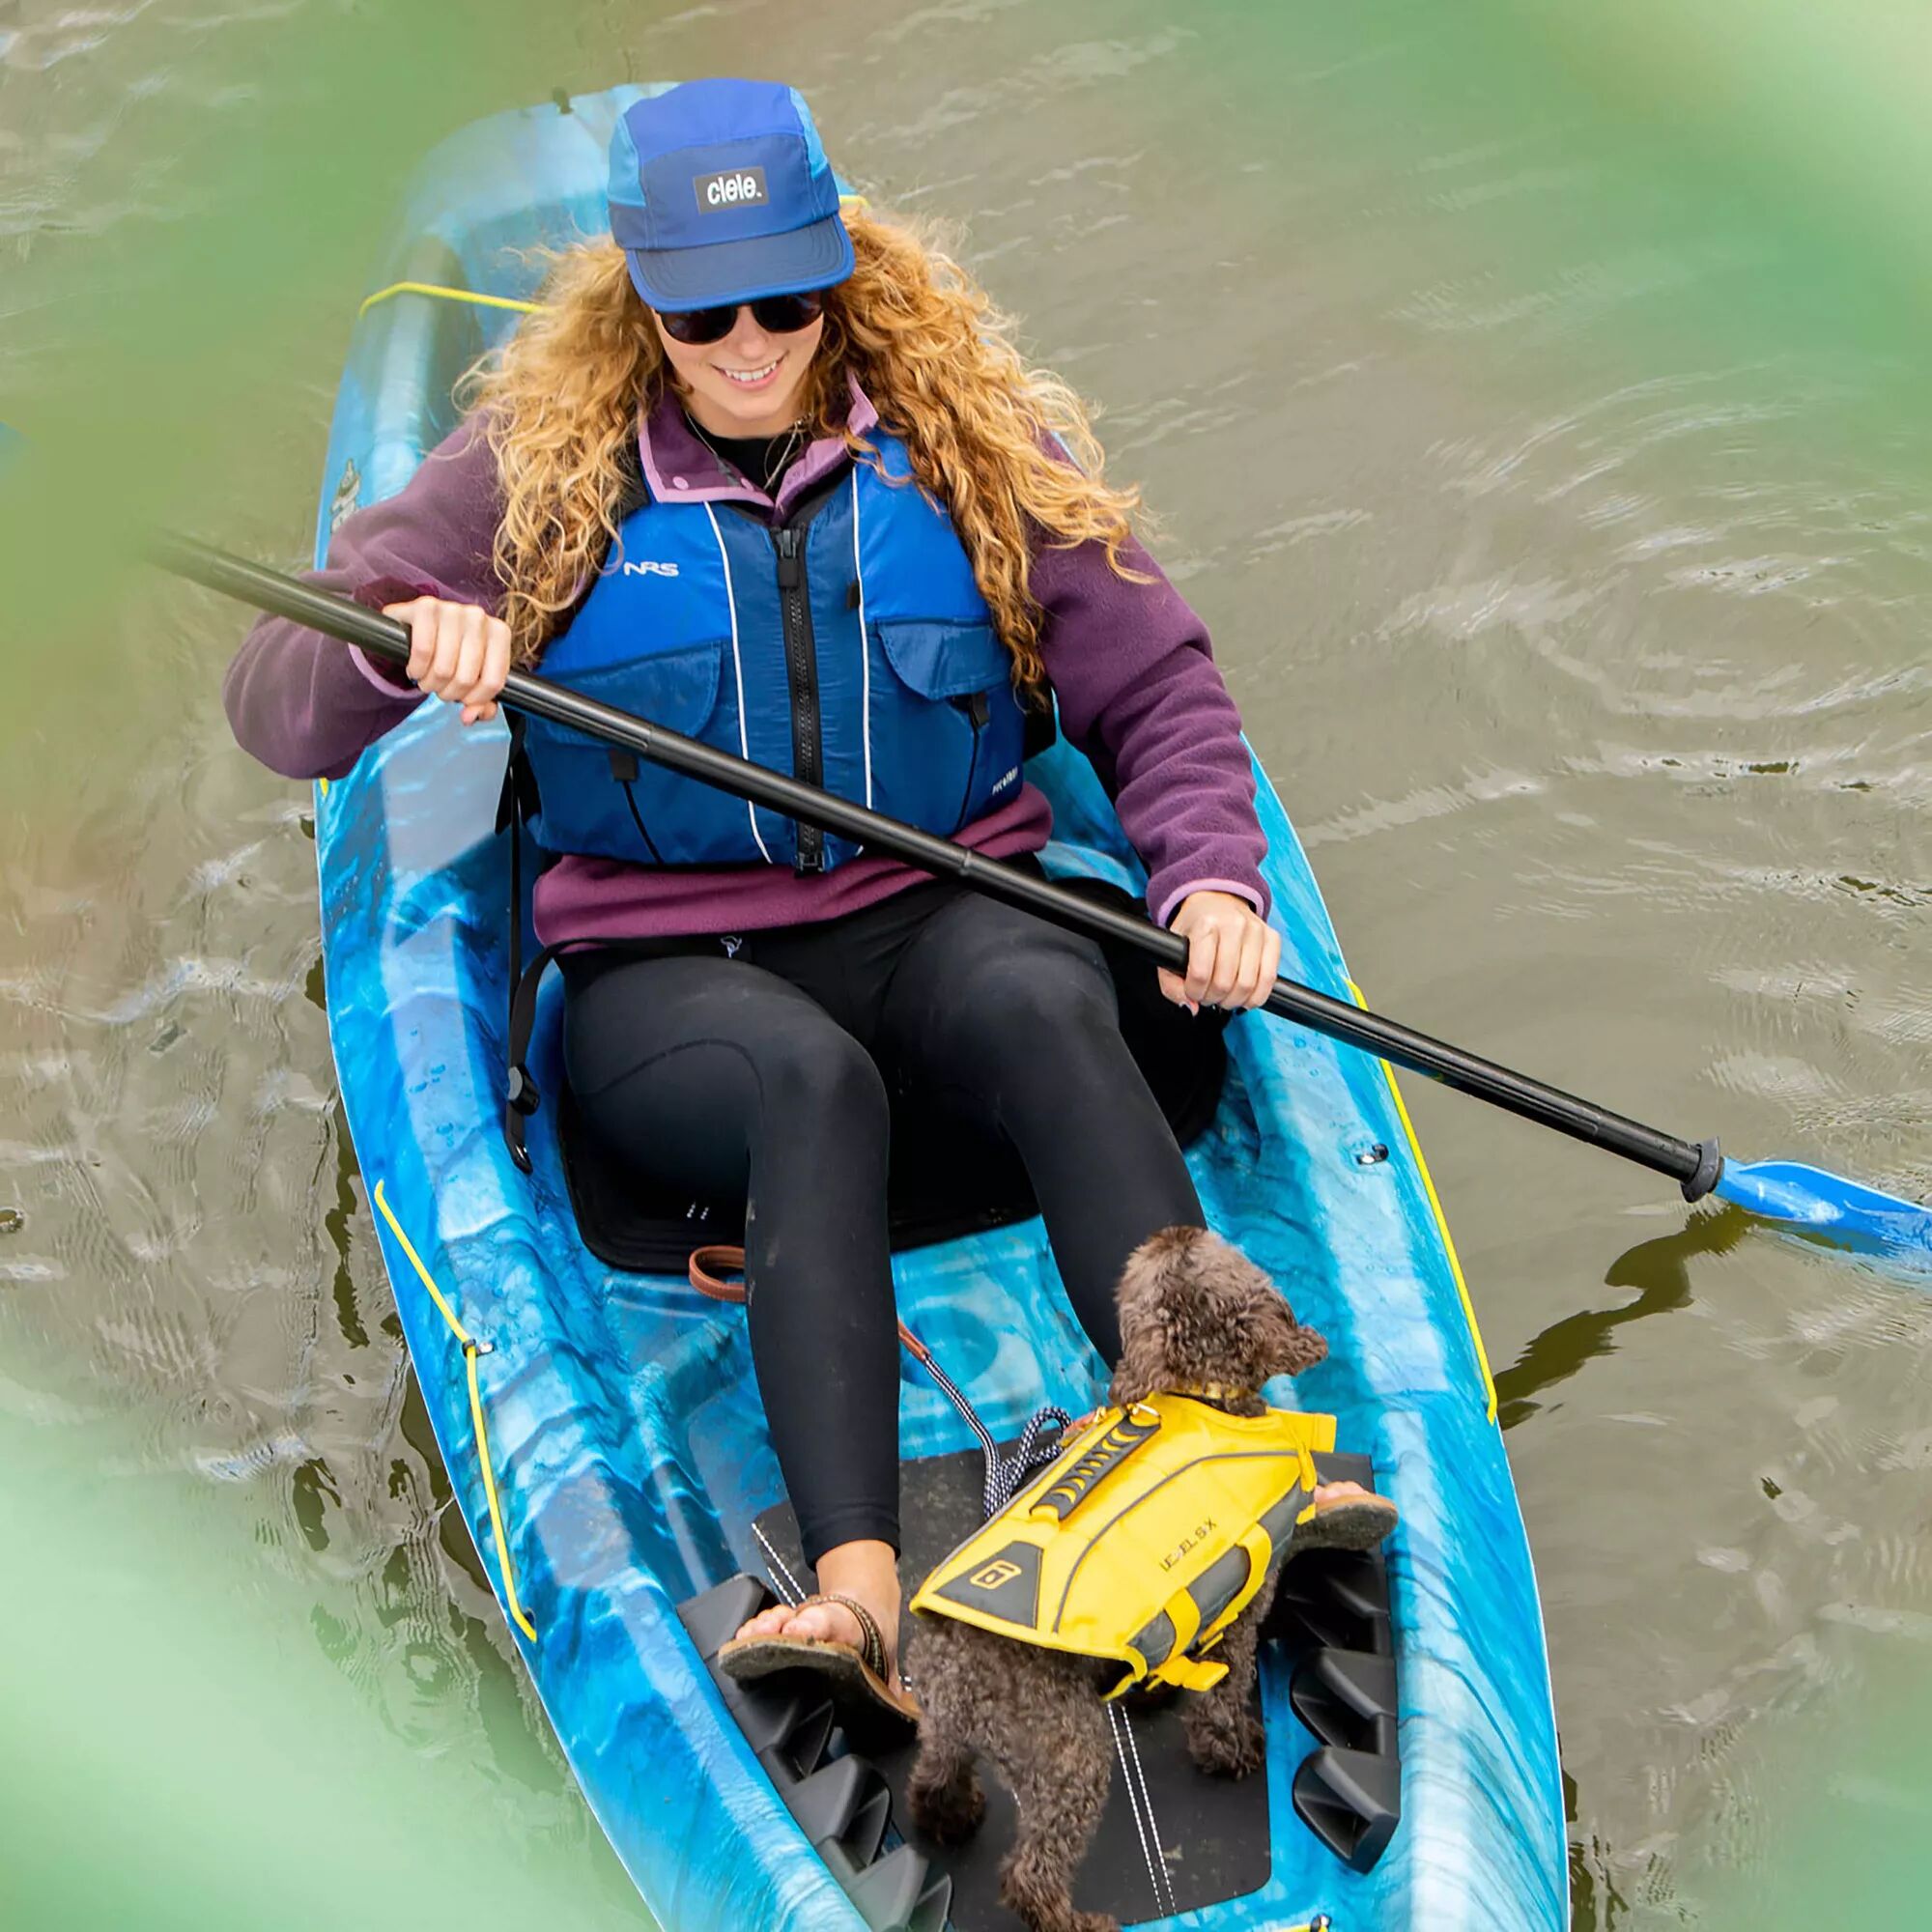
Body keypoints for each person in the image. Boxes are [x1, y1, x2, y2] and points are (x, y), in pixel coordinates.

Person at [225, 77, 1368, 1730]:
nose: (752, 341)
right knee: (802, 1082)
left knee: (1050, 989)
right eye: (703, 309)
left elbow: (1163, 691)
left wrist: (1209, 876)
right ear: (641, 299)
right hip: (673, 978)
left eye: (788, 295)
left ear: (842, 269)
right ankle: (853, 1601)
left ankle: (1217, 1446)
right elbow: (270, 706)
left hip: (940, 913)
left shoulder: (965, 442)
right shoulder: (527, 478)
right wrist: (391, 642)